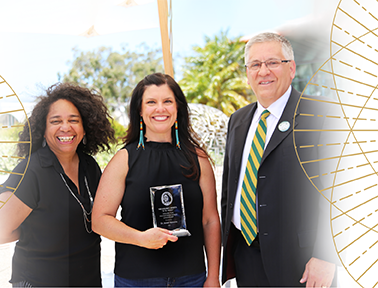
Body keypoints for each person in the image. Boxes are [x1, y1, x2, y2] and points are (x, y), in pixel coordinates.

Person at [221, 32, 336, 287]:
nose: (263, 71)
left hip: (302, 262)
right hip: (247, 255)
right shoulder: (237, 121)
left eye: (273, 62)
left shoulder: (322, 116)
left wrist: (327, 256)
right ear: (248, 72)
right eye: (255, 64)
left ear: (291, 68)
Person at [92, 73, 221, 287]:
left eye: (167, 101)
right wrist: (140, 238)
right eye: (151, 102)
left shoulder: (198, 159)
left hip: (192, 279)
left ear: (178, 108)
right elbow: (99, 220)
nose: (160, 109)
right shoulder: (124, 159)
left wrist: (213, 276)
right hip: (136, 280)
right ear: (140, 111)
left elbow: (210, 221)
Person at [0, 83, 115, 287]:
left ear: (85, 128)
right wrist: (32, 233)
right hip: (39, 281)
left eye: (73, 120)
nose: (65, 127)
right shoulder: (31, 171)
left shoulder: (90, 167)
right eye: (55, 121)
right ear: (43, 129)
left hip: (87, 280)